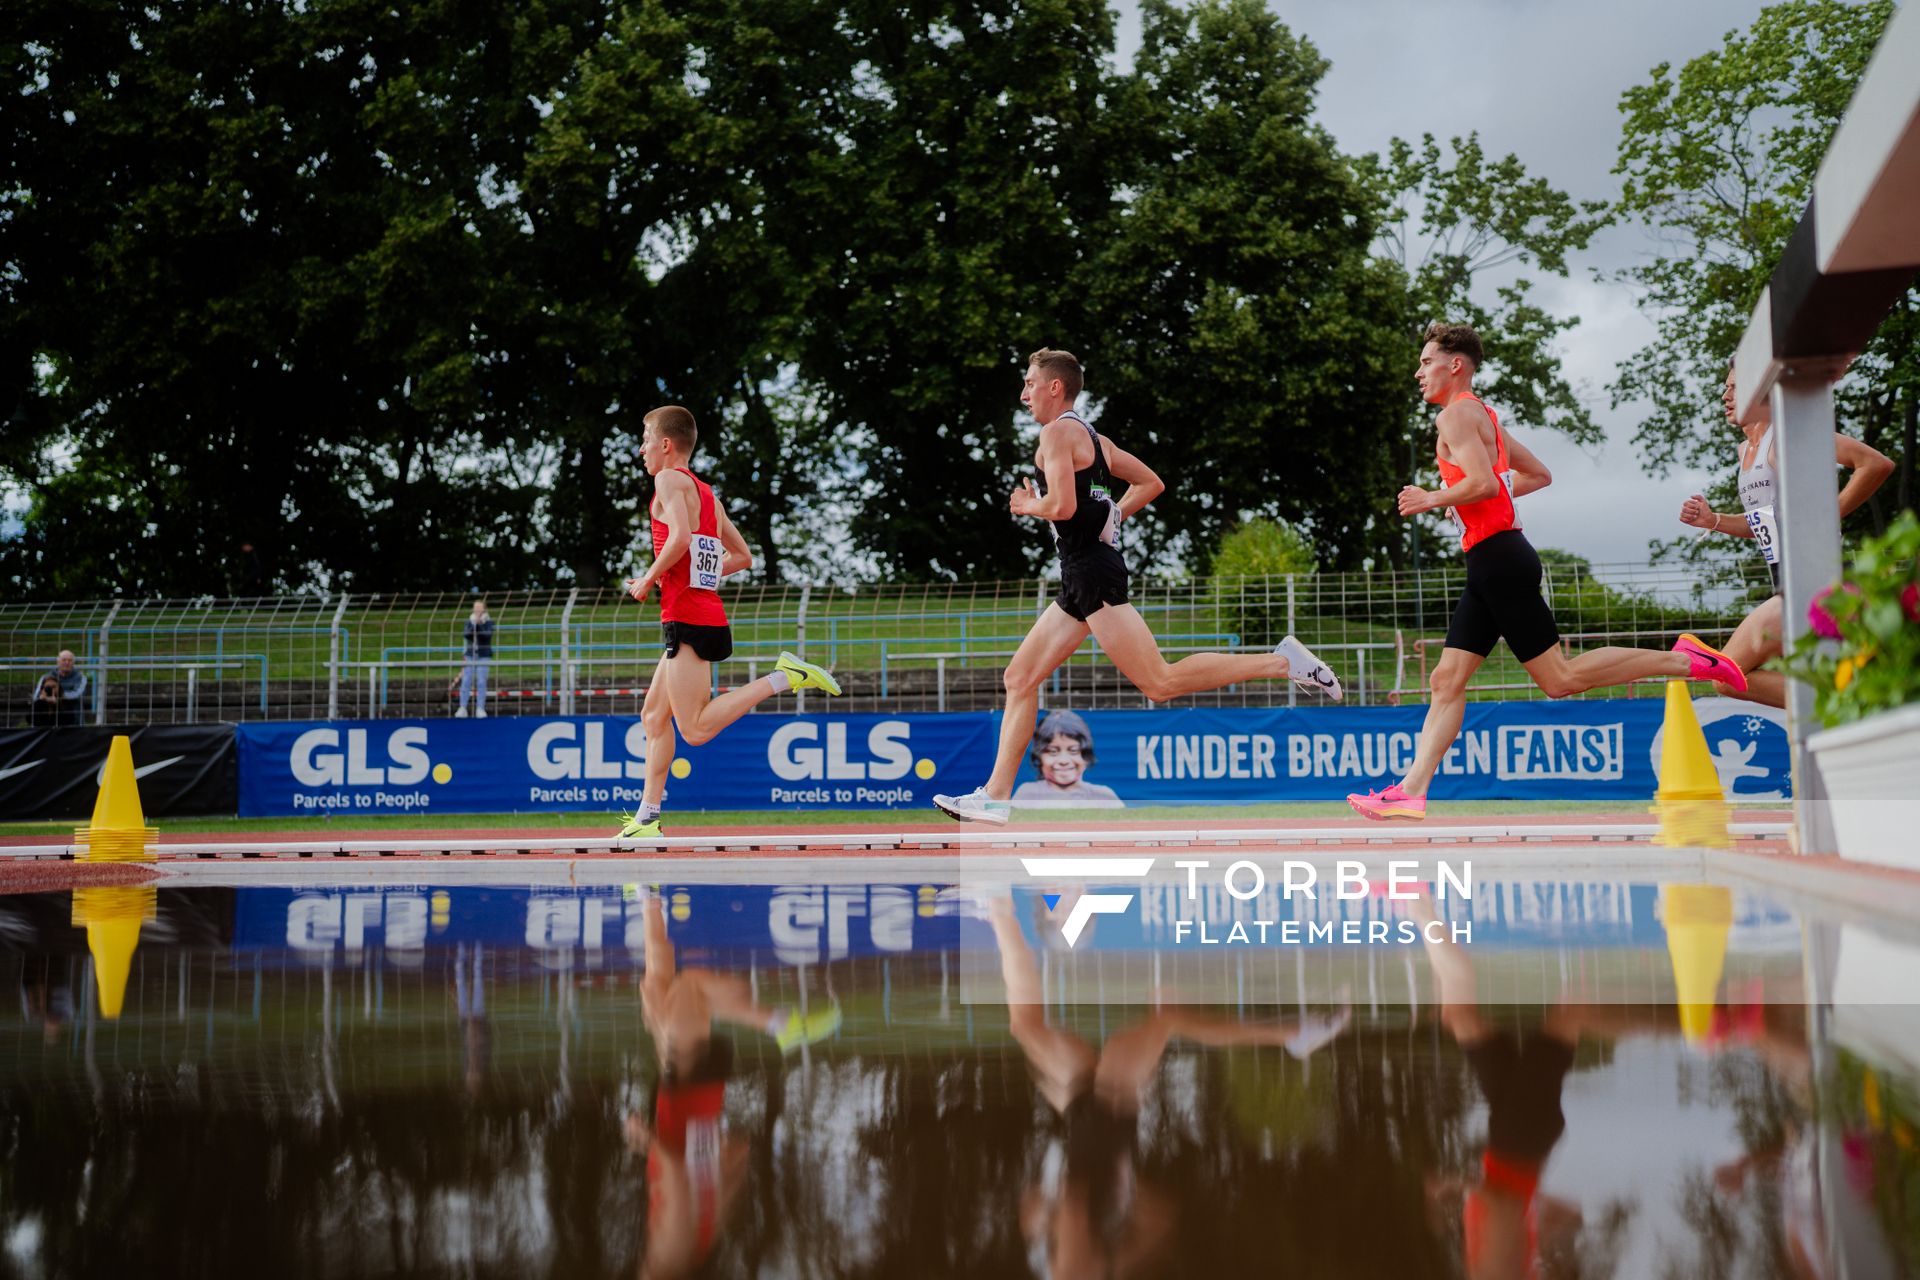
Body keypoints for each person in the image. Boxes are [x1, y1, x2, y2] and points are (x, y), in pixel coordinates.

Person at [1348, 323, 1748, 822]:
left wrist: (1436, 498)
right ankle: (1411, 791)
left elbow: (1481, 485)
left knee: (1560, 679)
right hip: (1490, 559)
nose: (1418, 371)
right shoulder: (1486, 418)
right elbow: (1535, 475)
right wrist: (1472, 500)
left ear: (1456, 365)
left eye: (1426, 361)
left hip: (1499, 561)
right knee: (1446, 678)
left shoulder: (1454, 416)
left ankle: (1683, 660)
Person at [935, 349, 1344, 826]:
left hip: (1092, 573)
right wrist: (1113, 514)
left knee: (1159, 682)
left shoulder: (1056, 432)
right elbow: (1150, 483)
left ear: (1055, 387)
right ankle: (995, 798)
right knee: (1019, 678)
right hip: (1081, 575)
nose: (1023, 393)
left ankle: (1282, 662)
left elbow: (1063, 508)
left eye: (1029, 383)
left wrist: (1028, 505)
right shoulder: (1094, 438)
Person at [981, 892, 1349, 1278]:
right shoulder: (1090, 1266)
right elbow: (1138, 1215)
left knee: (1027, 1025)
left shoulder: (1063, 1264)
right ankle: (1291, 1036)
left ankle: (1001, 907)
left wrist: (1054, 1210)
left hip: (1079, 1110)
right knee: (1166, 1016)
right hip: (1110, 1105)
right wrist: (1120, 1206)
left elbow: (1045, 1207)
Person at [616, 405, 843, 840]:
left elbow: (680, 538)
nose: (641, 448)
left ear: (666, 445)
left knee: (696, 729)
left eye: (645, 438)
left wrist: (649, 577)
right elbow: (742, 557)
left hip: (687, 617)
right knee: (653, 716)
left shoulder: (667, 479)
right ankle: (647, 818)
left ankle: (783, 677)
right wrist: (697, 576)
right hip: (696, 613)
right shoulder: (706, 494)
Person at [626, 886, 838, 1277]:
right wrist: (646, 1140)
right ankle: (782, 1026)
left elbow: (733, 1161)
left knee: (657, 991)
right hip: (687, 1091)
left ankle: (648, 896)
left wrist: (724, 1152)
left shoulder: (699, 1245)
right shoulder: (671, 1253)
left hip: (697, 1099)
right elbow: (674, 1175)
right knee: (690, 987)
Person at [1678, 360, 1892, 708]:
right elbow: (1766, 523)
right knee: (1734, 679)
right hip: (1788, 583)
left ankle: (1847, 704)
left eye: (1734, 387)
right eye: (1725, 387)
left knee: (1727, 674)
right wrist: (1713, 520)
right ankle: (1845, 704)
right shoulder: (1745, 452)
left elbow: (1876, 464)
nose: (1724, 395)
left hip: (1811, 582)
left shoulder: (1787, 436)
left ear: (1761, 394)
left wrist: (1825, 516)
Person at [1010, 709, 1124, 810]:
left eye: (1073, 751)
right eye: (1053, 752)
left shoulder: (1103, 796)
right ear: (1039, 757)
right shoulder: (1027, 794)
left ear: (1086, 756)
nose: (1063, 760)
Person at [455, 598, 494, 719]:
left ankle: (480, 708)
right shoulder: (469, 622)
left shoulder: (489, 622)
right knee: (466, 680)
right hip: (470, 654)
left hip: (483, 655)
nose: (477, 609)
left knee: (481, 681)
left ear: (483, 609)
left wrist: (479, 625)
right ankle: (463, 707)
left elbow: (486, 636)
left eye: (479, 607)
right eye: (475, 607)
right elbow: (467, 635)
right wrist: (474, 625)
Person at [41, 651, 87, 727]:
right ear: (58, 662)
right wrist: (46, 698)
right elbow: (37, 696)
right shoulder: (46, 677)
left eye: (70, 660)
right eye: (64, 660)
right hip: (49, 721)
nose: (67, 662)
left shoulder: (81, 677)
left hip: (74, 720)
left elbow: (78, 694)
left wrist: (57, 695)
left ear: (73, 663)